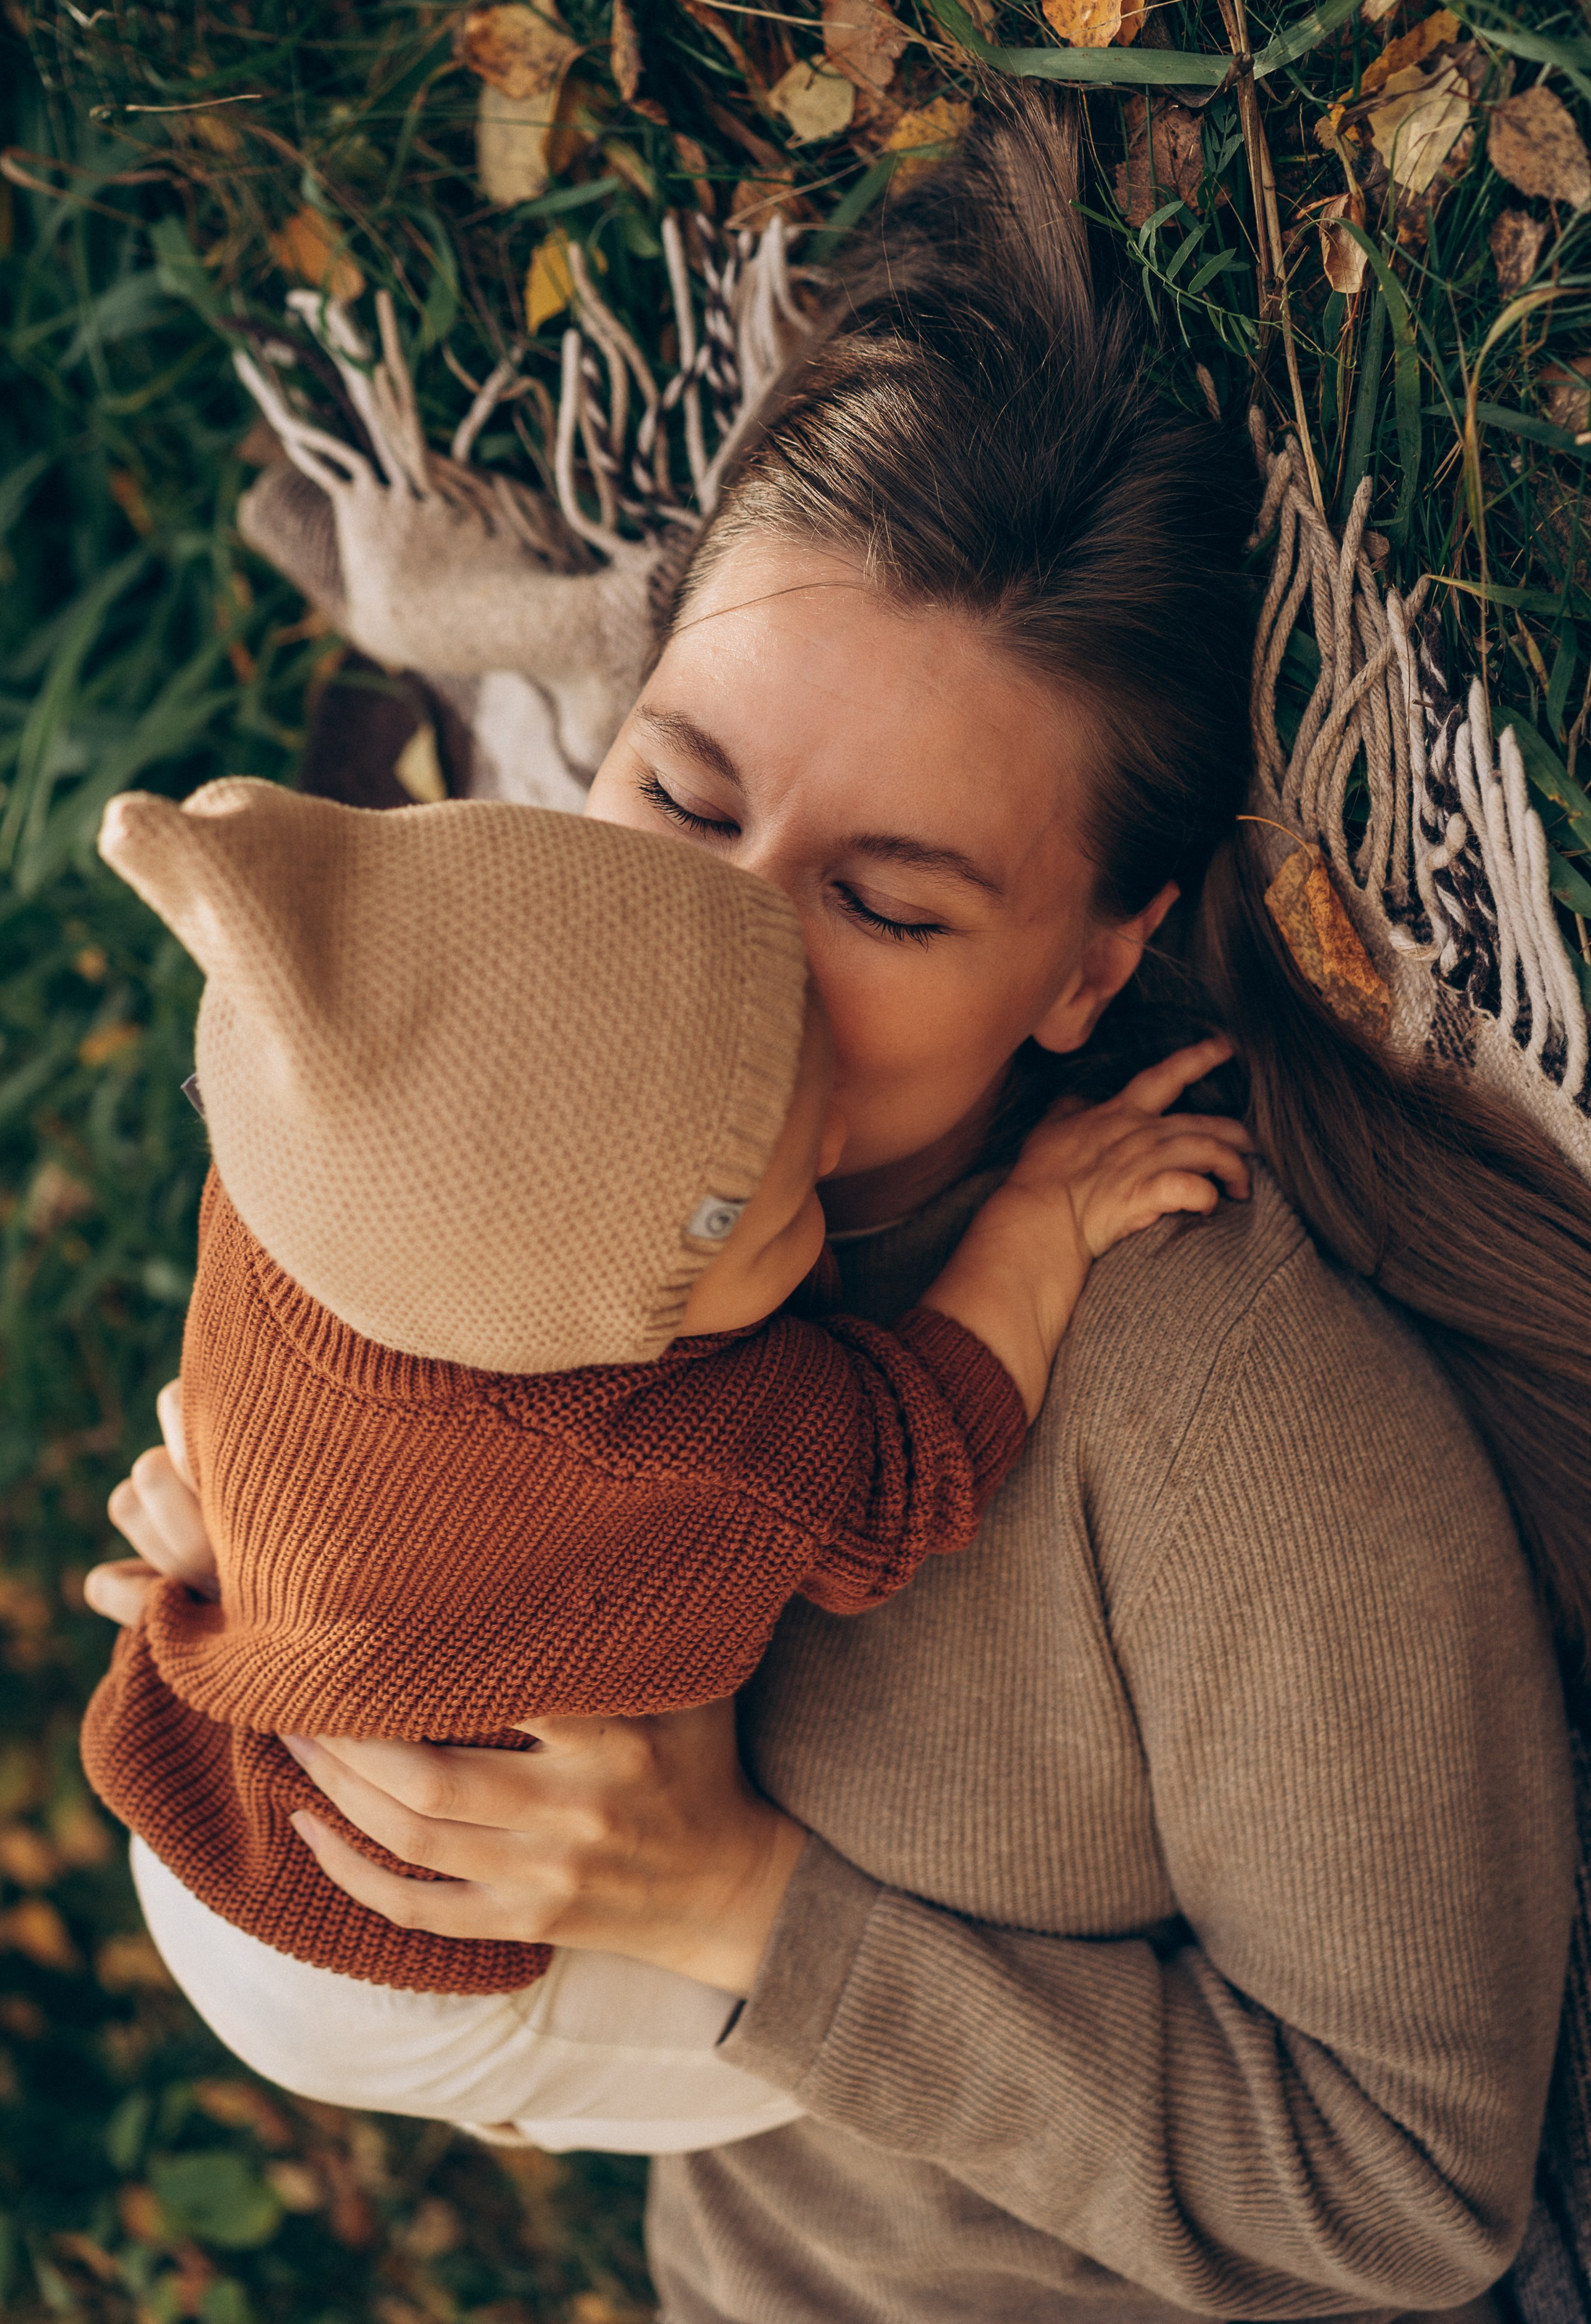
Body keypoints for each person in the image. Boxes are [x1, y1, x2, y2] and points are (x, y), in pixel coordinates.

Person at [91, 90, 1591, 2323]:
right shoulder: (509, 1141)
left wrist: (747, 1915)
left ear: (1094, 962)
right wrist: (325, 1568)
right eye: (681, 797)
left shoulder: (1229, 1435)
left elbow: (1406, 2195)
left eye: (886, 906)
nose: (726, 963)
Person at [83, 774, 1248, 2146]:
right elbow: (906, 1461)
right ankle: (536, 2097)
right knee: (787, 2060)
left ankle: (529, 2111)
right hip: (410, 1950)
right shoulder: (678, 1442)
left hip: (199, 1791)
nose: (830, 1145)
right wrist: (1040, 1226)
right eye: (781, 1215)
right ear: (602, 1333)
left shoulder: (309, 1158)